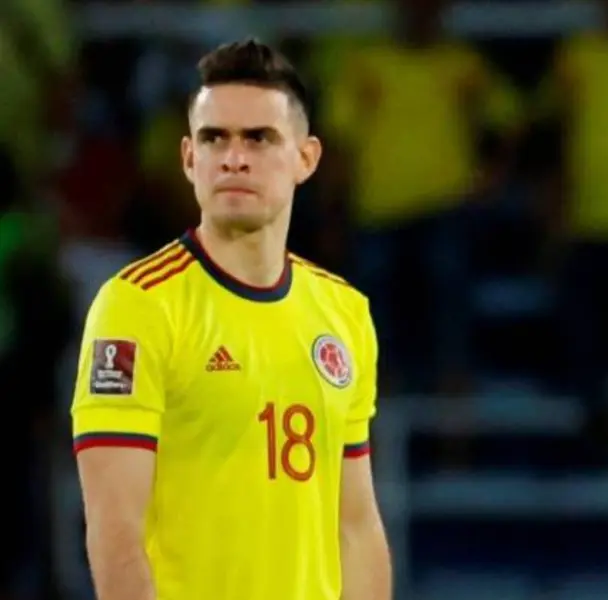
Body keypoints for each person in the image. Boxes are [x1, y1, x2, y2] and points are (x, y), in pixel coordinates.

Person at [70, 39, 391, 600]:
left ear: (306, 158)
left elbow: (356, 526)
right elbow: (114, 531)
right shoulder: (137, 306)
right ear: (189, 158)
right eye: (214, 138)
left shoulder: (345, 314)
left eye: (259, 138)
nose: (233, 157)